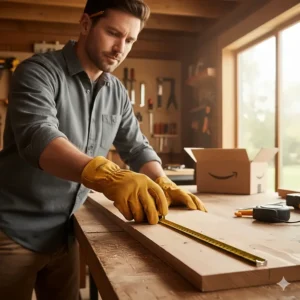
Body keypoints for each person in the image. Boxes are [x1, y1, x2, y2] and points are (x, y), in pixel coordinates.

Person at [0, 0, 207, 299]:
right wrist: (107, 176)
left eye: (130, 40)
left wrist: (162, 180)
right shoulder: (38, 72)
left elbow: (136, 146)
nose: (120, 47)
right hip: (13, 233)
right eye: (113, 33)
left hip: (65, 233)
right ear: (86, 24)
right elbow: (37, 135)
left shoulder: (117, 92)